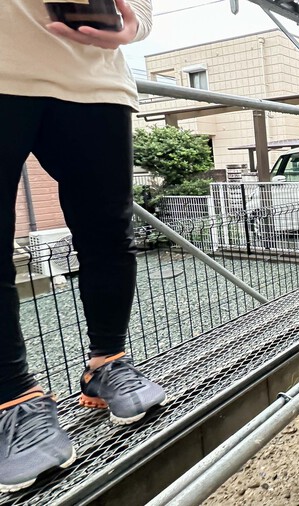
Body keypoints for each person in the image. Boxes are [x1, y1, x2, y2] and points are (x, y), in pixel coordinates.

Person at [0, 0, 166, 493]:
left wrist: (133, 23)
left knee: (108, 234)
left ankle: (107, 364)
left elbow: (140, 6)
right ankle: (13, 400)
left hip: (95, 81)